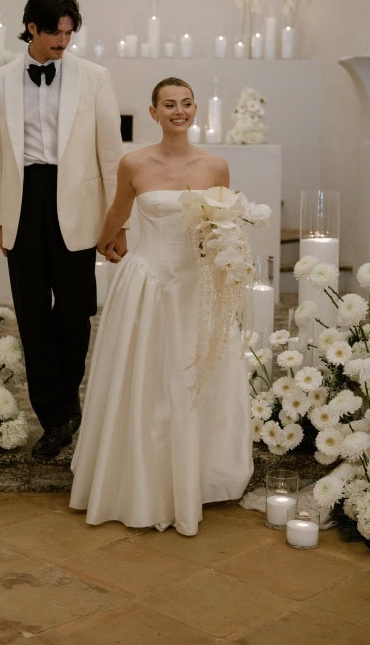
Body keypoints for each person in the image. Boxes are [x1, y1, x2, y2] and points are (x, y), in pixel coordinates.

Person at [69, 77, 253, 536]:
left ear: (195, 111)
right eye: (169, 104)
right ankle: (138, 479)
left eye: (186, 104)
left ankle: (197, 476)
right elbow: (118, 211)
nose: (179, 111)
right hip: (147, 284)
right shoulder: (134, 163)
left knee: (192, 379)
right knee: (145, 380)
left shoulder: (216, 166)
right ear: (153, 112)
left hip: (195, 288)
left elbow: (222, 228)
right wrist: (103, 241)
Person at [0, 0, 126, 459]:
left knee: (74, 311)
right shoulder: (0, 79)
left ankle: (68, 403)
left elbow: (111, 154)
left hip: (78, 206)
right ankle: (53, 419)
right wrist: (1, 223)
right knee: (31, 316)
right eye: (55, 32)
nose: (64, 42)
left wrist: (116, 223)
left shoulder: (95, 77)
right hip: (24, 203)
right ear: (31, 26)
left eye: (70, 32)